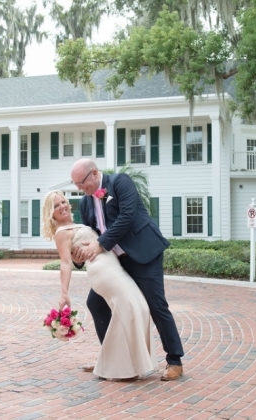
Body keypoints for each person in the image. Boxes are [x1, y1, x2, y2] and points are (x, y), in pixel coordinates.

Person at [68, 158, 184, 381]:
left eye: (81, 183)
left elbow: (127, 217)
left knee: (155, 304)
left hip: (143, 253)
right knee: (96, 303)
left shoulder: (120, 182)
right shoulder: (84, 203)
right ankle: (112, 361)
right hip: (116, 262)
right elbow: (90, 236)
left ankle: (175, 360)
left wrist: (101, 243)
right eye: (76, 186)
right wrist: (78, 256)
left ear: (94, 173)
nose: (80, 189)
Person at [42, 190, 158, 380]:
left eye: (63, 202)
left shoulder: (78, 224)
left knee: (141, 308)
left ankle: (123, 362)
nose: (61, 206)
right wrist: (64, 293)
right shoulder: (62, 233)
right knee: (127, 309)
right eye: (55, 206)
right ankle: (122, 369)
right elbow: (65, 262)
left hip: (114, 266)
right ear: (51, 213)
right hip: (103, 272)